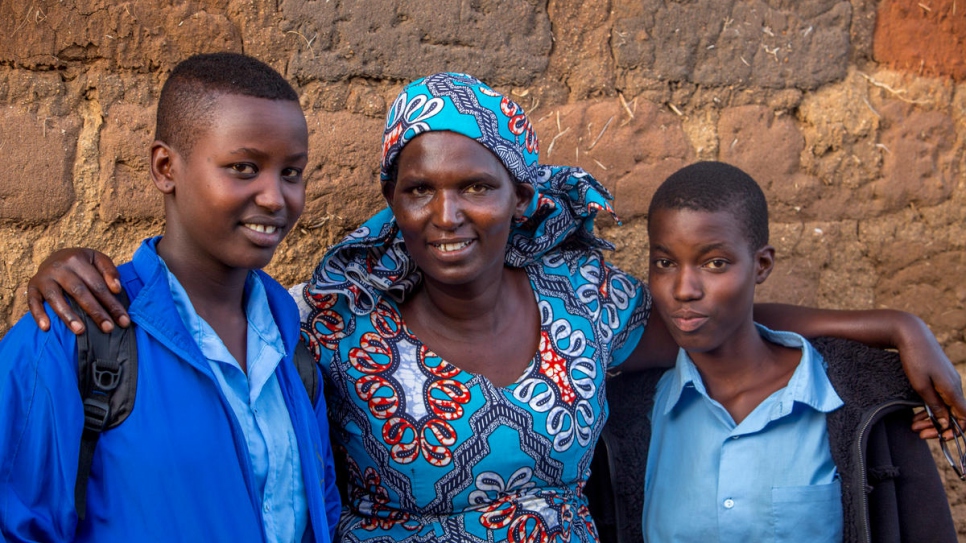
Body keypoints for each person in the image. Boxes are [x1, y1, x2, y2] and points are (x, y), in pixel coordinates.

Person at [23, 73, 966, 542]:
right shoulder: (336, 314)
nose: (447, 215)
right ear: (391, 201)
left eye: (475, 186)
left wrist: (889, 325)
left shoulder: (584, 302)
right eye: (417, 189)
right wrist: (79, 271)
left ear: (519, 190)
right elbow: (204, 312)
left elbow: (712, 311)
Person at [0, 53, 341, 542]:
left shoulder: (290, 344)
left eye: (292, 172)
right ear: (165, 168)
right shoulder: (73, 335)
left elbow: (318, 509)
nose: (275, 197)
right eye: (244, 167)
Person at [596, 161, 956, 543]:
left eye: (715, 263)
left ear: (762, 265)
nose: (684, 289)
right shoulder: (625, 416)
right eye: (665, 263)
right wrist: (898, 325)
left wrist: (903, 326)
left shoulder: (860, 405)